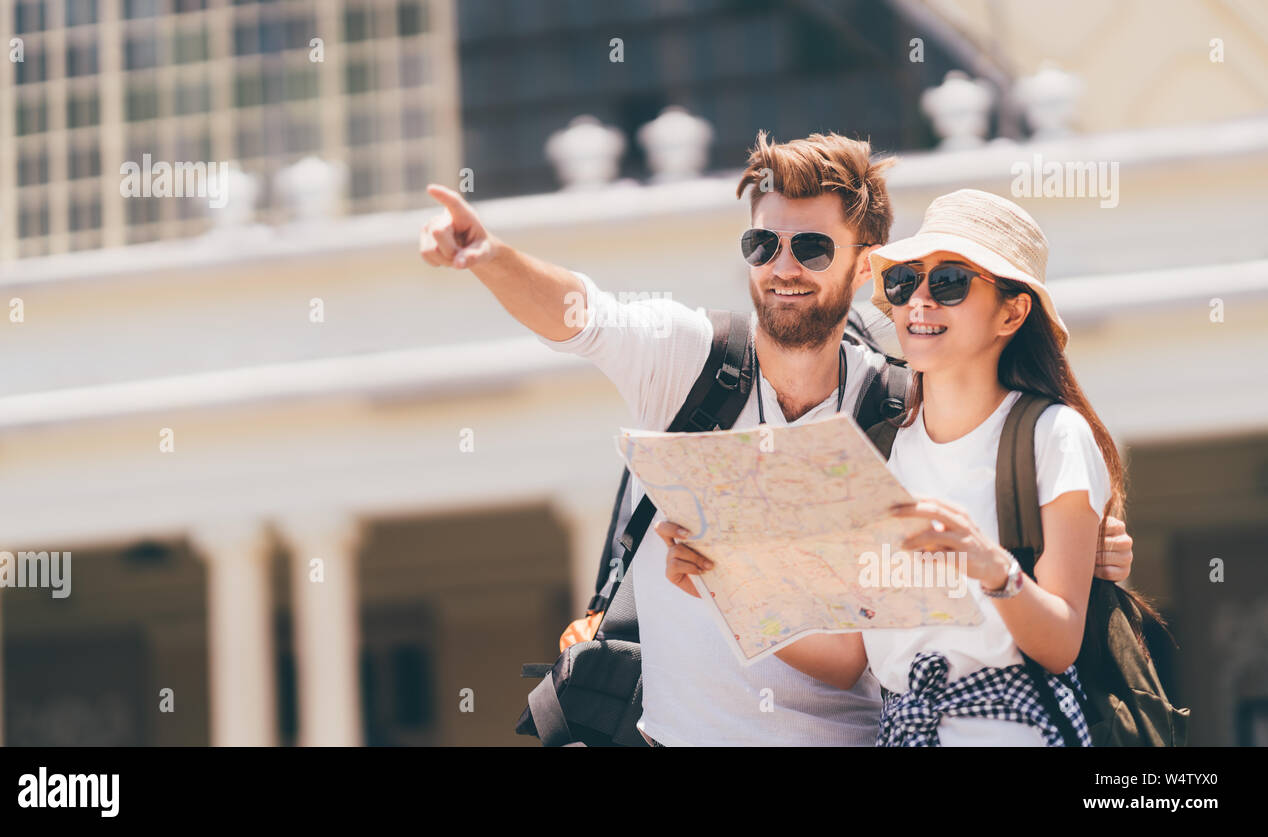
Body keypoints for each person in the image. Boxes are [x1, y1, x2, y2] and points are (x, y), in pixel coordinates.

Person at [419, 136, 1134, 746]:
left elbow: (866, 642)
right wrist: (489, 256)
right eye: (763, 243)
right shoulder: (689, 360)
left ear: (862, 268)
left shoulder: (897, 411)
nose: (782, 267)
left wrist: (1081, 543)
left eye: (812, 246)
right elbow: (583, 315)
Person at [669, 188, 1116, 745]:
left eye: (950, 283)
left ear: (1012, 311)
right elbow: (847, 657)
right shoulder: (878, 448)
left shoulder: (1053, 436)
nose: (918, 302)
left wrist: (991, 569)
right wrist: (721, 577)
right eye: (904, 282)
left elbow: (1059, 642)